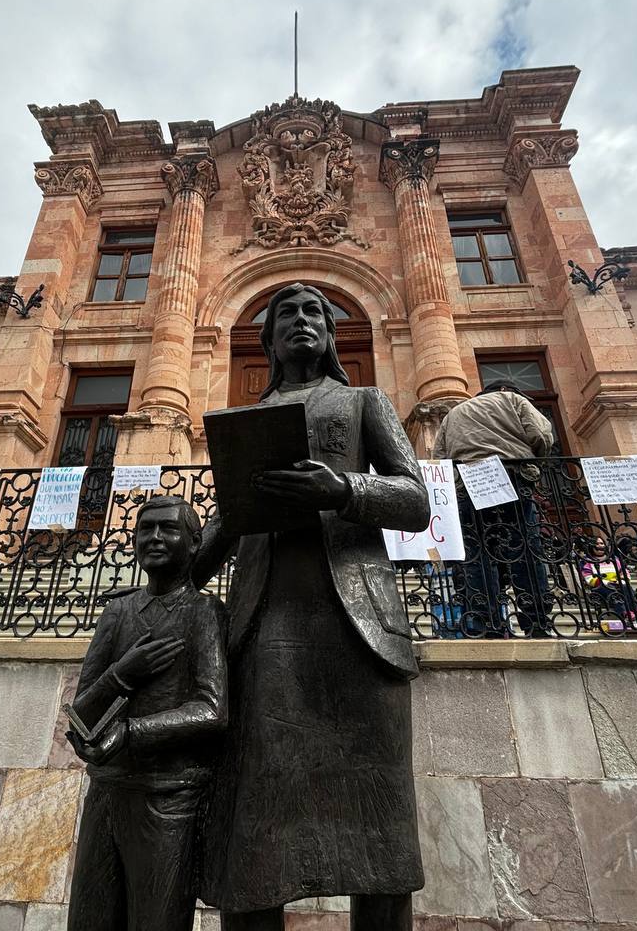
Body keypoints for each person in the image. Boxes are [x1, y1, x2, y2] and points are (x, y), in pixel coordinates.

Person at [194, 283, 430, 931]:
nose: (301, 321)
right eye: (286, 315)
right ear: (267, 341)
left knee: (380, 829)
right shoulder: (247, 421)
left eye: (313, 313)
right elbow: (226, 524)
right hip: (268, 629)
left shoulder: (363, 402)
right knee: (256, 833)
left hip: (359, 630)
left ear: (329, 334)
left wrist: (344, 488)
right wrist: (181, 562)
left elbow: (415, 500)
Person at [66, 495, 227, 931]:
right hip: (107, 793)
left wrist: (132, 732)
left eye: (168, 529)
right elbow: (82, 712)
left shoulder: (203, 612)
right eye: (145, 529)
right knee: (89, 919)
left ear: (195, 544)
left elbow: (212, 710)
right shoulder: (117, 611)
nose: (154, 538)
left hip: (167, 798)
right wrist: (121, 675)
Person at [433, 379, 556, 636]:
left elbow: (440, 457)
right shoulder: (512, 400)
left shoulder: (453, 413)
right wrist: (535, 463)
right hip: (511, 477)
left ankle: (485, 622)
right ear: (504, 390)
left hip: (468, 484)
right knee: (525, 550)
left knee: (477, 555)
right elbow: (541, 434)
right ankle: (536, 621)